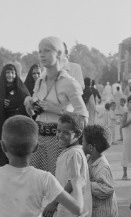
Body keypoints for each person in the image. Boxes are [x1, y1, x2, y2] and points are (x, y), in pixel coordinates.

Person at [24, 36, 88, 174]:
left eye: (47, 50)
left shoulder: (69, 83)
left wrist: (59, 110)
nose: (42, 54)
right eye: (40, 51)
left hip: (59, 139)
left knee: (57, 181)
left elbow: (83, 116)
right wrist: (29, 106)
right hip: (39, 139)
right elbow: (33, 114)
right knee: (37, 180)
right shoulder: (39, 81)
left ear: (59, 53)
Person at [0, 63, 30, 166]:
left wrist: (15, 110)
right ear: (3, 74)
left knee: (17, 156)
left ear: (16, 74)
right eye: (7, 72)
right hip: (3, 128)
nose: (10, 75)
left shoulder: (20, 88)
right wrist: (1, 103)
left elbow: (27, 105)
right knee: (4, 156)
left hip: (17, 129)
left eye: (12, 72)